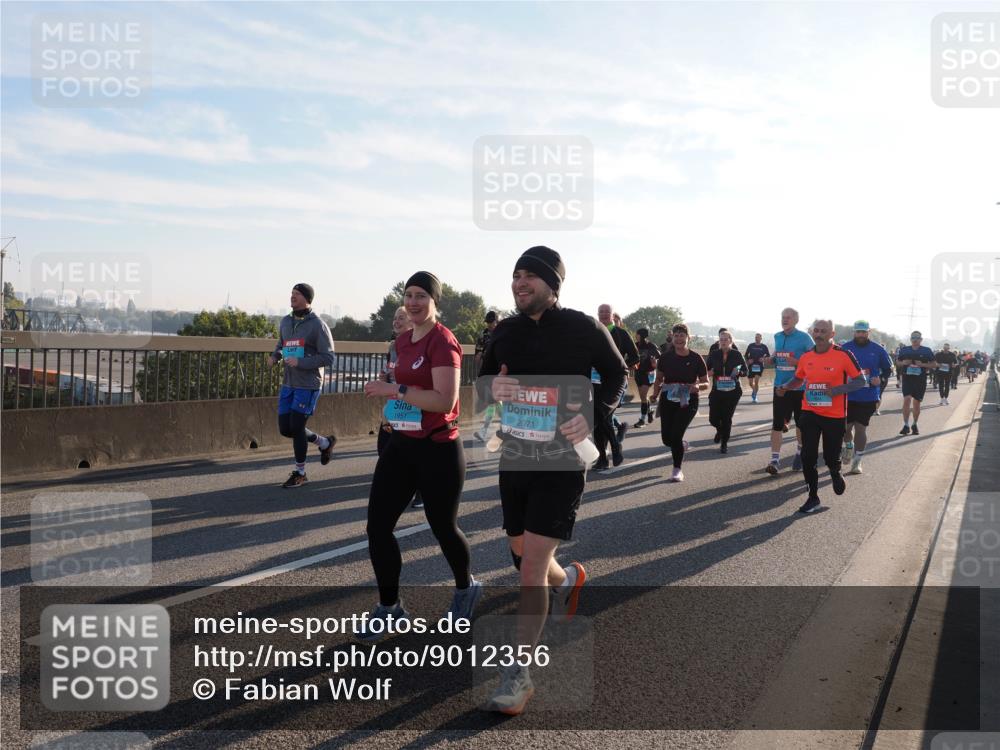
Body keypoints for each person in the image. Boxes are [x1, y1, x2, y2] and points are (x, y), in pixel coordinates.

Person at [478, 246, 628, 715]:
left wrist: (596, 414)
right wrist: (494, 393)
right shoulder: (504, 331)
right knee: (524, 552)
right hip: (518, 454)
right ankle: (570, 579)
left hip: (563, 459)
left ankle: (518, 674)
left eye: (530, 277)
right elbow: (484, 387)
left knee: (528, 568)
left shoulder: (584, 327)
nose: (520, 284)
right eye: (515, 276)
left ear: (552, 284)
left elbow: (619, 374)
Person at [359, 272, 479, 640]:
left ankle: (465, 587)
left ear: (435, 302)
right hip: (401, 446)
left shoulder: (444, 342)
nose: (413, 302)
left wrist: (394, 389)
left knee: (443, 527)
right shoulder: (403, 340)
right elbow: (404, 396)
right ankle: (390, 607)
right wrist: (392, 406)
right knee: (378, 527)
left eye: (421, 296)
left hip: (439, 449)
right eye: (408, 295)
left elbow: (445, 400)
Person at [776, 319, 866, 513]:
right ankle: (812, 497)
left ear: (831, 334)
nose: (819, 334)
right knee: (808, 456)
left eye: (823, 331)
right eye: (816, 331)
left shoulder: (843, 355)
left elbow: (860, 380)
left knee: (830, 456)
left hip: (834, 415)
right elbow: (799, 377)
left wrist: (837, 390)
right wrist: (785, 387)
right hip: (809, 411)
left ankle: (835, 472)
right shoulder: (807, 356)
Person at [269, 283, 336, 488]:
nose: (292, 297)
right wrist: (275, 356)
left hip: (308, 384)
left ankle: (300, 473)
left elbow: (328, 357)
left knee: (297, 427)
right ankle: (324, 443)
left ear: (307, 298)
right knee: (286, 429)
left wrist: (302, 362)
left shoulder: (318, 325)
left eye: (297, 294)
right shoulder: (286, 321)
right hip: (289, 382)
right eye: (291, 293)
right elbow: (282, 345)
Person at [378, 306, 422, 509]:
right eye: (395, 318)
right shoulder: (392, 347)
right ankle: (399, 489)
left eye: (401, 318)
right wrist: (385, 379)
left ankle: (420, 490)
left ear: (412, 322)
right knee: (384, 447)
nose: (396, 321)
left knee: (411, 452)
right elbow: (391, 371)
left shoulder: (419, 346)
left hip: (413, 404)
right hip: (394, 402)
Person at [652, 323, 709, 482]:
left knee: (676, 435)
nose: (678, 338)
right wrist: (655, 394)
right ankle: (681, 445)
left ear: (687, 338)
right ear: (672, 338)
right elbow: (659, 379)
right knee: (667, 439)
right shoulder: (665, 358)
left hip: (688, 401)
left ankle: (677, 469)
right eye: (676, 335)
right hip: (668, 398)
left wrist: (697, 386)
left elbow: (706, 382)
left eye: (682, 335)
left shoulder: (696, 358)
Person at [763, 308, 815, 475]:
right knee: (777, 424)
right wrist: (771, 359)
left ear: (796, 320)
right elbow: (778, 354)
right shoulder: (778, 336)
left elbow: (815, 360)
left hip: (798, 388)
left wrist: (797, 362)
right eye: (782, 317)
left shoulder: (805, 338)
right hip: (780, 387)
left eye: (788, 318)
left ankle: (800, 452)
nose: (784, 320)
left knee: (800, 424)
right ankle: (775, 460)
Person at [840, 320, 892, 474]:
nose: (861, 335)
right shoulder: (844, 348)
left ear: (868, 332)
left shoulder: (877, 349)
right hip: (848, 395)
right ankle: (849, 446)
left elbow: (889, 369)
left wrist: (881, 378)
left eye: (864, 332)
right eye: (858, 332)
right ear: (854, 332)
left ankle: (857, 461)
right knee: (845, 429)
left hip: (868, 395)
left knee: (860, 428)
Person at [594, 303, 639, 471]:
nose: (604, 314)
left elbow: (635, 357)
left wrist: (620, 368)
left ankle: (614, 447)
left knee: (603, 412)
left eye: (607, 312)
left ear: (613, 315)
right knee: (596, 417)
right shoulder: (592, 332)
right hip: (594, 381)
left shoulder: (621, 333)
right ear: (597, 314)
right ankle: (603, 458)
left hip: (615, 381)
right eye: (601, 312)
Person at [706, 330, 746, 454]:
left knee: (726, 417)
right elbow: (705, 371)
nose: (723, 341)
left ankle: (724, 443)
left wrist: (739, 372)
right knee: (713, 419)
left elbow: (746, 371)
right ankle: (720, 430)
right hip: (717, 390)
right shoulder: (713, 354)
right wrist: (709, 373)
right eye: (721, 339)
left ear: (731, 341)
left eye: (725, 339)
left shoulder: (737, 354)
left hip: (733, 391)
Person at [896, 331, 936, 436]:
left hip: (920, 380)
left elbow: (934, 364)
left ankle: (914, 424)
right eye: (913, 337)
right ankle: (905, 425)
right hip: (907, 378)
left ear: (921, 339)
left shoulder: (927, 351)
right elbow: (898, 362)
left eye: (917, 338)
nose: (915, 339)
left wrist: (922, 364)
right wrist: (903, 363)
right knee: (907, 399)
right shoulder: (904, 350)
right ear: (910, 339)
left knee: (917, 403)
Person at [474, 311, 502, 442]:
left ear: (497, 321)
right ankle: (507, 428)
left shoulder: (503, 333)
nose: (489, 325)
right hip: (487, 372)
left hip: (499, 372)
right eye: (488, 322)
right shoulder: (483, 334)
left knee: (493, 402)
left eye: (491, 322)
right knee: (495, 402)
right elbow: (478, 352)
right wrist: (479, 369)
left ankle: (484, 431)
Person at [632, 328, 661, 428]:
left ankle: (642, 420)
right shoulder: (635, 345)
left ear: (641, 335)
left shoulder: (651, 346)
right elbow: (631, 356)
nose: (636, 336)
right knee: (643, 397)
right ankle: (649, 411)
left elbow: (659, 358)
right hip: (638, 373)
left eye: (637, 334)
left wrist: (654, 363)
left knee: (643, 396)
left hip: (649, 374)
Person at [744, 333, 770, 404]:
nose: (757, 338)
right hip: (751, 365)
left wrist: (763, 358)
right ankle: (754, 391)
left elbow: (768, 355)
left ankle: (754, 396)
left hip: (759, 366)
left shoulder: (764, 346)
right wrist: (748, 360)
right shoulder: (751, 345)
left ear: (761, 338)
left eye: (758, 337)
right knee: (750, 383)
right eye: (756, 337)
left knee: (756, 381)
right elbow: (746, 355)